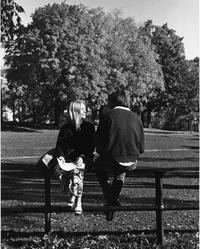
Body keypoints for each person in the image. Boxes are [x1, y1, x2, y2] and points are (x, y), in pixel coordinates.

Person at [95, 90, 144, 220]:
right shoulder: (136, 117)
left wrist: (103, 152)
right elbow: (141, 147)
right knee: (121, 171)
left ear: (113, 102)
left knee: (97, 165)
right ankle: (112, 199)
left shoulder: (107, 116)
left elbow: (99, 143)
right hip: (131, 161)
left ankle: (109, 197)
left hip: (112, 159)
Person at [55, 100, 95, 215]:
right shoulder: (65, 128)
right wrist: (61, 157)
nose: (85, 111)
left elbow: (91, 146)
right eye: (82, 109)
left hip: (84, 158)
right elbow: (59, 145)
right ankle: (71, 192)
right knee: (60, 171)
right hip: (67, 160)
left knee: (77, 172)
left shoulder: (89, 127)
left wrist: (82, 157)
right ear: (76, 111)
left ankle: (78, 201)